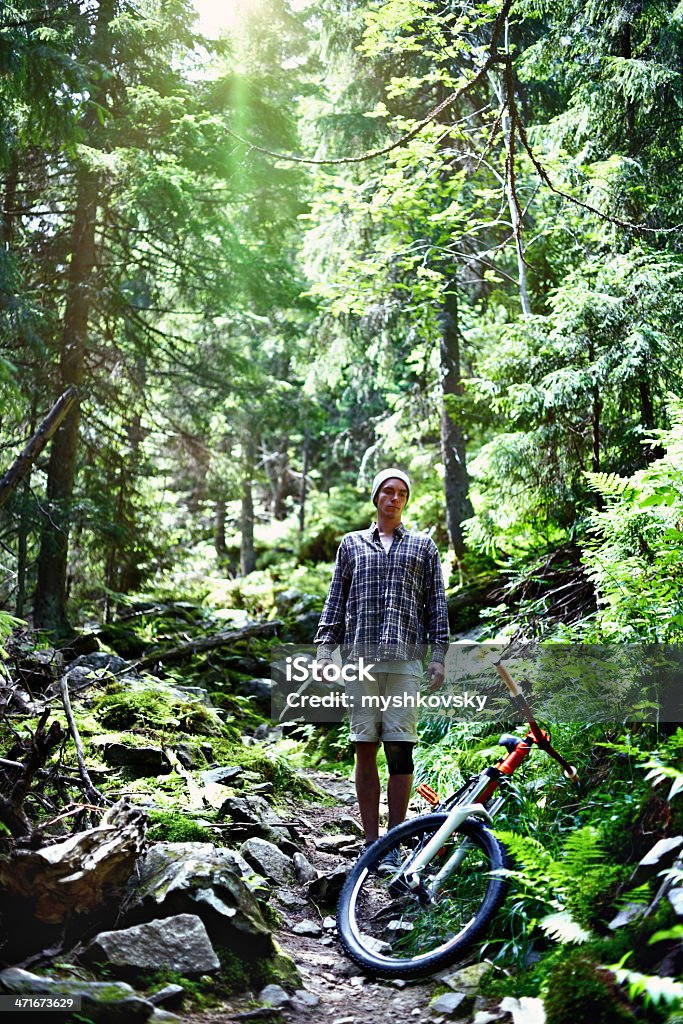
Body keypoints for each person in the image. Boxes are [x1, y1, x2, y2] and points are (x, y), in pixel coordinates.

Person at [314, 468, 449, 870]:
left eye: (401, 493)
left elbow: (436, 607)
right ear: (376, 498)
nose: (394, 498)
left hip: (406, 660)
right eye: (387, 492)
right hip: (360, 659)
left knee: (400, 749)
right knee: (364, 746)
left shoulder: (423, 548)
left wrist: (438, 655)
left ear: (406, 501)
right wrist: (325, 649)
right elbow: (336, 600)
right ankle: (371, 841)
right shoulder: (351, 546)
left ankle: (395, 838)